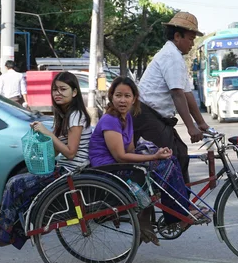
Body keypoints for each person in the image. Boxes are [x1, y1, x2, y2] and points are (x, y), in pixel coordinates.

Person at [89, 77, 210, 246]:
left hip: (120, 165)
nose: (122, 100)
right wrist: (153, 157)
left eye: (127, 96)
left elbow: (130, 150)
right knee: (164, 166)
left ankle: (178, 212)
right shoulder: (110, 120)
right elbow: (120, 157)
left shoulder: (127, 118)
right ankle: (175, 216)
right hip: (109, 170)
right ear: (111, 97)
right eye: (118, 95)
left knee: (171, 159)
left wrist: (157, 152)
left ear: (134, 99)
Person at [0, 71, 92, 248]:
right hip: (62, 169)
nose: (58, 93)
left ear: (75, 92)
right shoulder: (64, 115)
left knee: (14, 184)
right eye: (55, 89)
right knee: (19, 182)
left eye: (63, 89)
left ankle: (1, 231)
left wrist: (47, 133)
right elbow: (55, 152)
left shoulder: (75, 115)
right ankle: (6, 230)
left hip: (72, 171)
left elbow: (70, 153)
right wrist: (40, 139)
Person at [133, 11, 209, 184]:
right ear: (177, 36)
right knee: (171, 159)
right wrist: (191, 127)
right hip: (146, 115)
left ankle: (182, 206)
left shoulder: (176, 57)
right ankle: (175, 208)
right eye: (190, 39)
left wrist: (201, 123)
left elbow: (187, 94)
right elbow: (177, 94)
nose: (192, 44)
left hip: (155, 117)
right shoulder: (171, 56)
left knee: (181, 153)